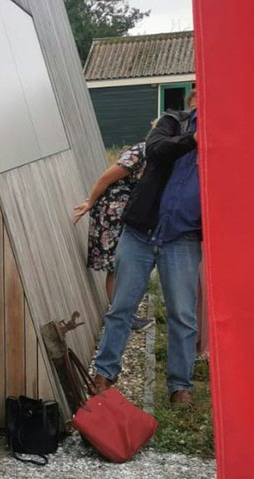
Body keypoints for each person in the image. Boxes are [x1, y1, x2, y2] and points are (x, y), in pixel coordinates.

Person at [93, 88, 201, 406]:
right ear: (194, 102)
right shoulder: (171, 122)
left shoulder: (230, 137)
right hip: (140, 233)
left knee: (182, 314)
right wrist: (192, 139)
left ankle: (180, 386)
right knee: (121, 307)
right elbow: (155, 151)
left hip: (183, 237)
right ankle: (104, 373)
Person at [72, 142, 152, 331]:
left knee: (121, 264)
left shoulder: (159, 152)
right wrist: (89, 202)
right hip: (113, 213)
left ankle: (125, 315)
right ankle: (122, 317)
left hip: (126, 212)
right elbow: (105, 178)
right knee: (116, 264)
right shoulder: (140, 152)